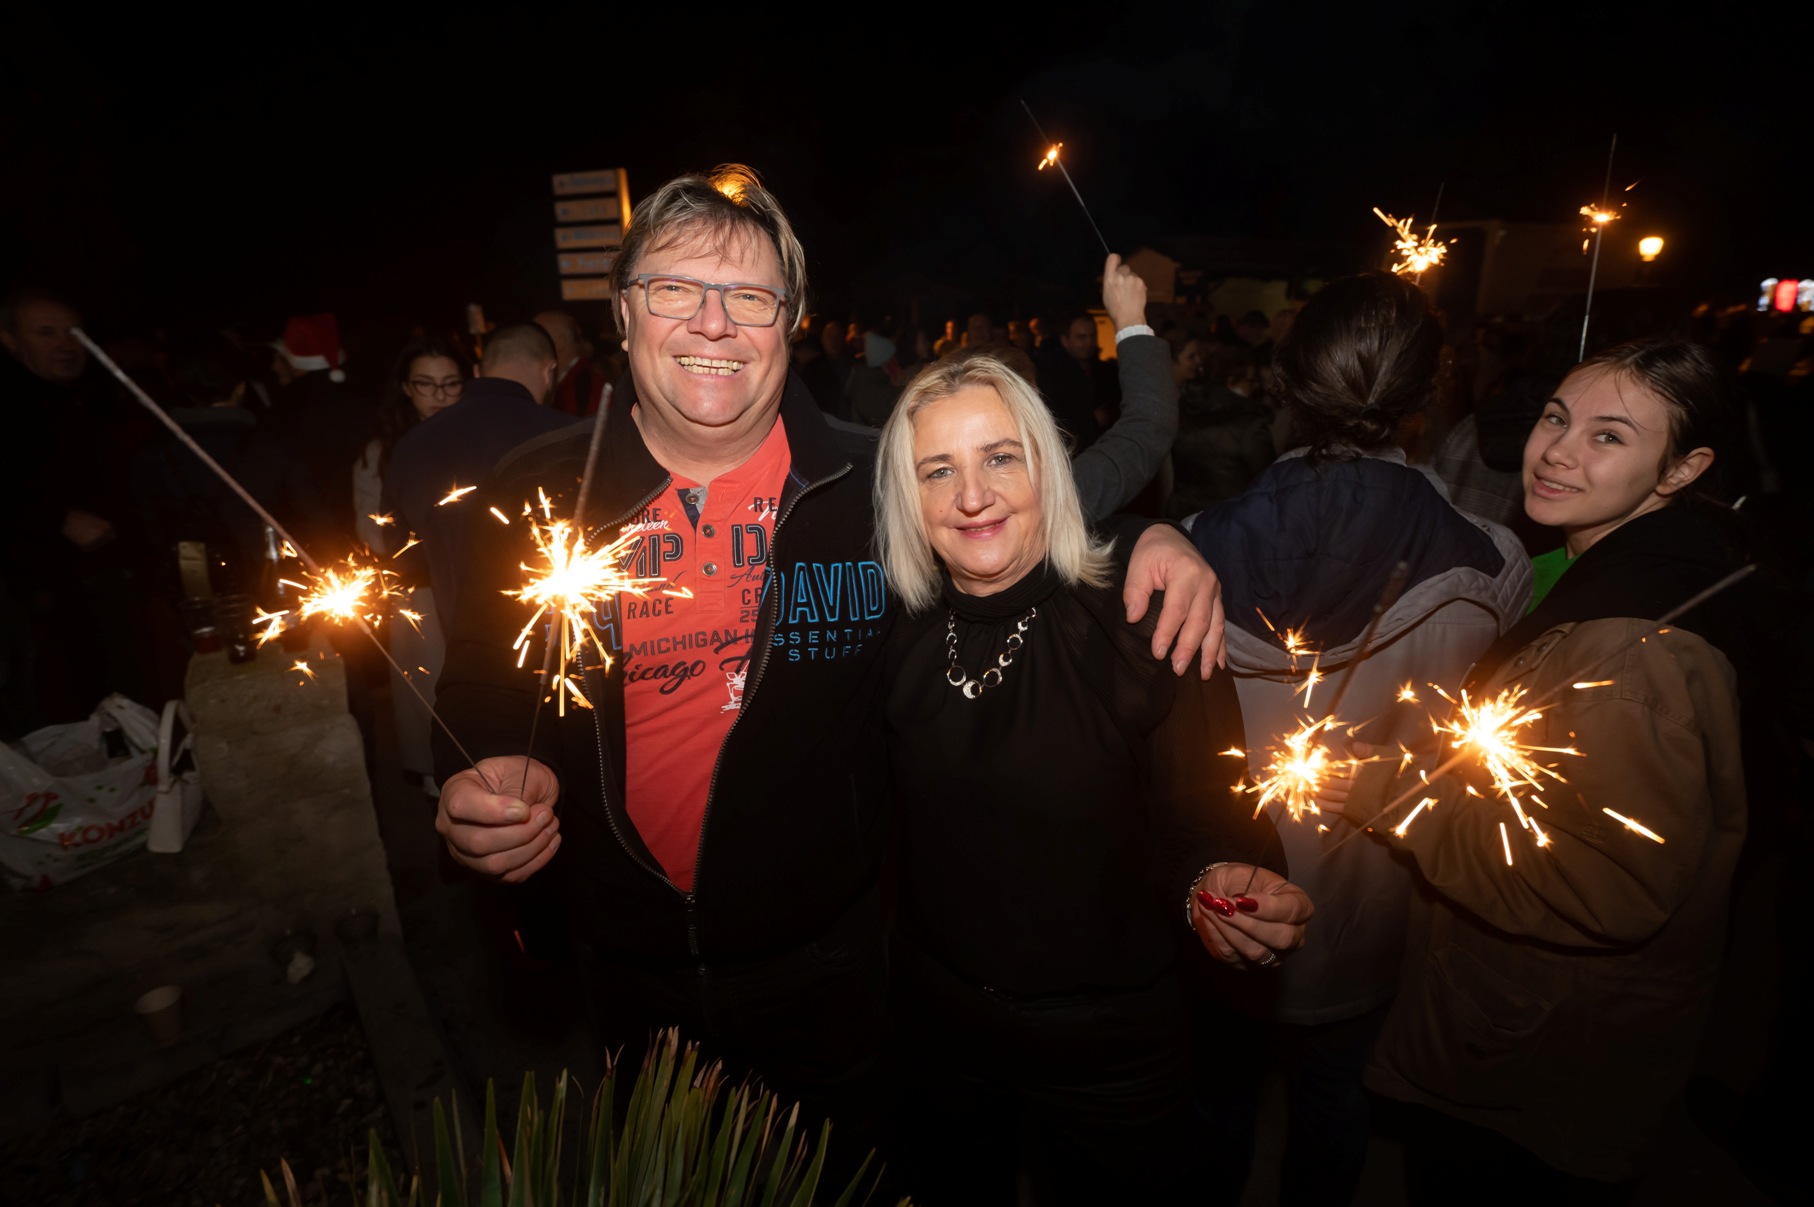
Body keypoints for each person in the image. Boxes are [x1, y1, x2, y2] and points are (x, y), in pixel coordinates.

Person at [428, 165, 1223, 1156]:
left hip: (831, 970)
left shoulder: (870, 482)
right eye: (676, 288)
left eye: (749, 297)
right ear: (623, 317)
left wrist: (1154, 539)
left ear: (787, 323)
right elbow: (480, 671)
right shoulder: (535, 488)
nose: (713, 323)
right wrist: (483, 762)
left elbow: (1023, 509)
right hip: (627, 967)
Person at [873, 353, 1311, 1204]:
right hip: (937, 1031)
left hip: (1112, 1047)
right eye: (939, 470)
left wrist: (1215, 879)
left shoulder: (1142, 619)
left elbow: (1209, 815)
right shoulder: (892, 627)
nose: (973, 495)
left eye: (1000, 457)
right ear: (909, 498)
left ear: (1047, 465)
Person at [1322, 339, 1752, 1201]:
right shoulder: (1619, 572)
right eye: (1557, 417)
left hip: (1535, 1054)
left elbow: (1606, 881)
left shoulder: (1634, 651)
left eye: (1609, 436)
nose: (1557, 449)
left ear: (1681, 468)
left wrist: (1389, 794)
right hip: (1519, 1025)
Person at [1187, 272, 1531, 1206]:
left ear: (1287, 388)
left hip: (1224, 906)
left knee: (1212, 1110)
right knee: (1335, 1107)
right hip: (1369, 908)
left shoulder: (1186, 550)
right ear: (1429, 395)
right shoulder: (1495, 564)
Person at [384, 322, 574, 635]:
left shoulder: (413, 445)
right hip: (559, 636)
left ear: (476, 372)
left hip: (462, 645)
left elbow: (404, 555)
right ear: (549, 371)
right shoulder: (571, 437)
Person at [352, 334, 471, 790]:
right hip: (420, 598)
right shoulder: (381, 454)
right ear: (405, 388)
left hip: (483, 592)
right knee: (433, 711)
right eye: (425, 384)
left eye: (451, 384)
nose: (439, 396)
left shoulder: (478, 438)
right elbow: (374, 534)